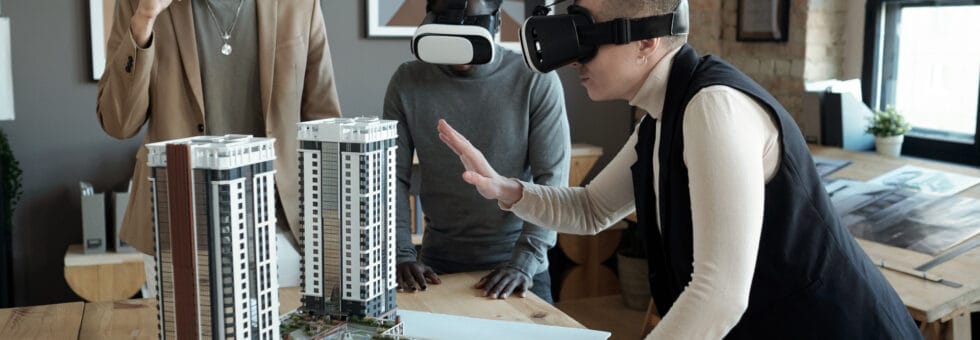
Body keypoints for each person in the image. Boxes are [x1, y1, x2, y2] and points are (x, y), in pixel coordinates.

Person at [438, 0, 922, 338]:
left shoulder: (713, 108)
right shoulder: (664, 110)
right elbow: (591, 209)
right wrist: (506, 189)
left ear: (646, 43)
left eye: (587, 39)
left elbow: (719, 296)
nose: (573, 61)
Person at [96, 0, 342, 285]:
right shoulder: (139, 4)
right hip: (178, 228)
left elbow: (324, 126)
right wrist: (143, 21)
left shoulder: (300, 3)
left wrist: (334, 235)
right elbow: (118, 123)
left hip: (281, 230)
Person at [384, 0, 570, 303]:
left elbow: (551, 181)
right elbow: (391, 177)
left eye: (473, 24)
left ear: (497, 23)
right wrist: (401, 253)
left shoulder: (535, 79)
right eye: (447, 22)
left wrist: (523, 263)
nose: (460, 36)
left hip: (518, 266)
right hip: (435, 265)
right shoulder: (408, 81)